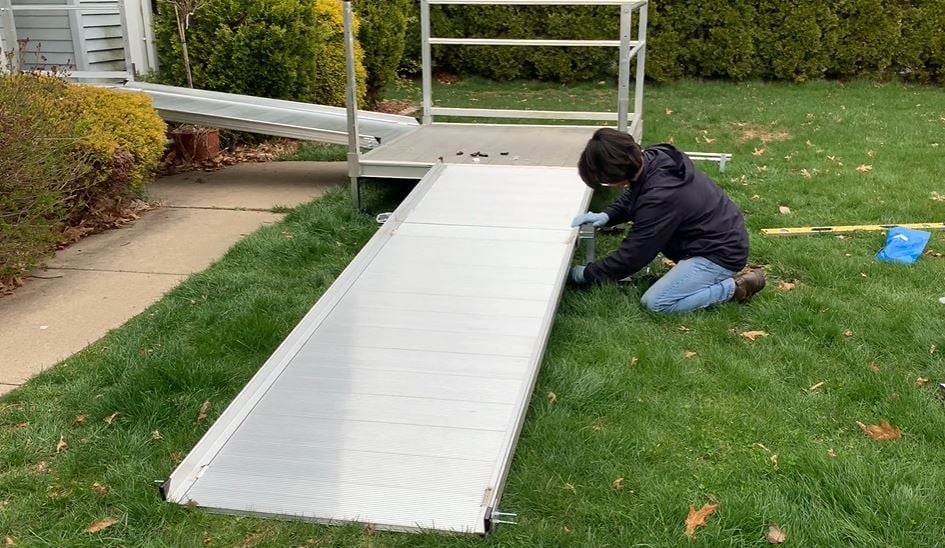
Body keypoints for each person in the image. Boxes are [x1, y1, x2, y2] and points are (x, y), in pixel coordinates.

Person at [570, 128, 765, 313]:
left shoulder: (661, 196)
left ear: (620, 175)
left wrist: (586, 274)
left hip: (719, 254)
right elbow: (635, 194)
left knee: (656, 303)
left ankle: (735, 287)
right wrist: (608, 215)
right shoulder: (653, 158)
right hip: (713, 238)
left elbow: (634, 255)